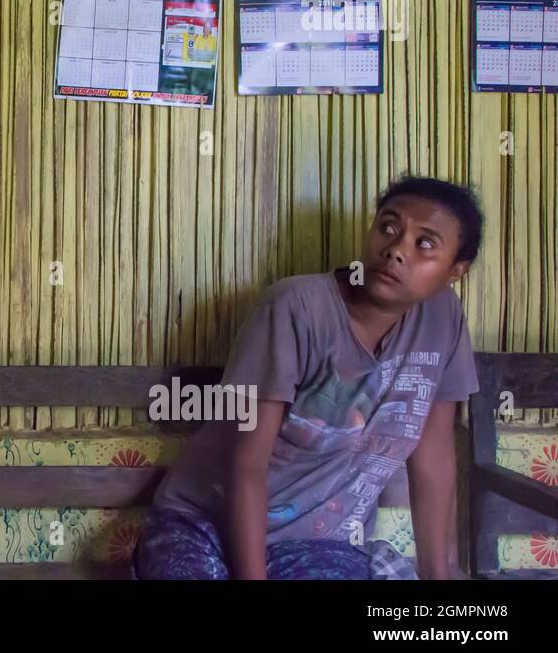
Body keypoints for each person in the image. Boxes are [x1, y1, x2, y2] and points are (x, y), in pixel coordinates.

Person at [134, 175, 484, 580]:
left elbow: (434, 460)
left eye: (425, 244)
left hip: (321, 545)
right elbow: (246, 463)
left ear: (456, 269)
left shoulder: (443, 320)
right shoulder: (295, 308)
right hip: (202, 526)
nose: (395, 250)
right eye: (389, 227)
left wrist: (439, 580)